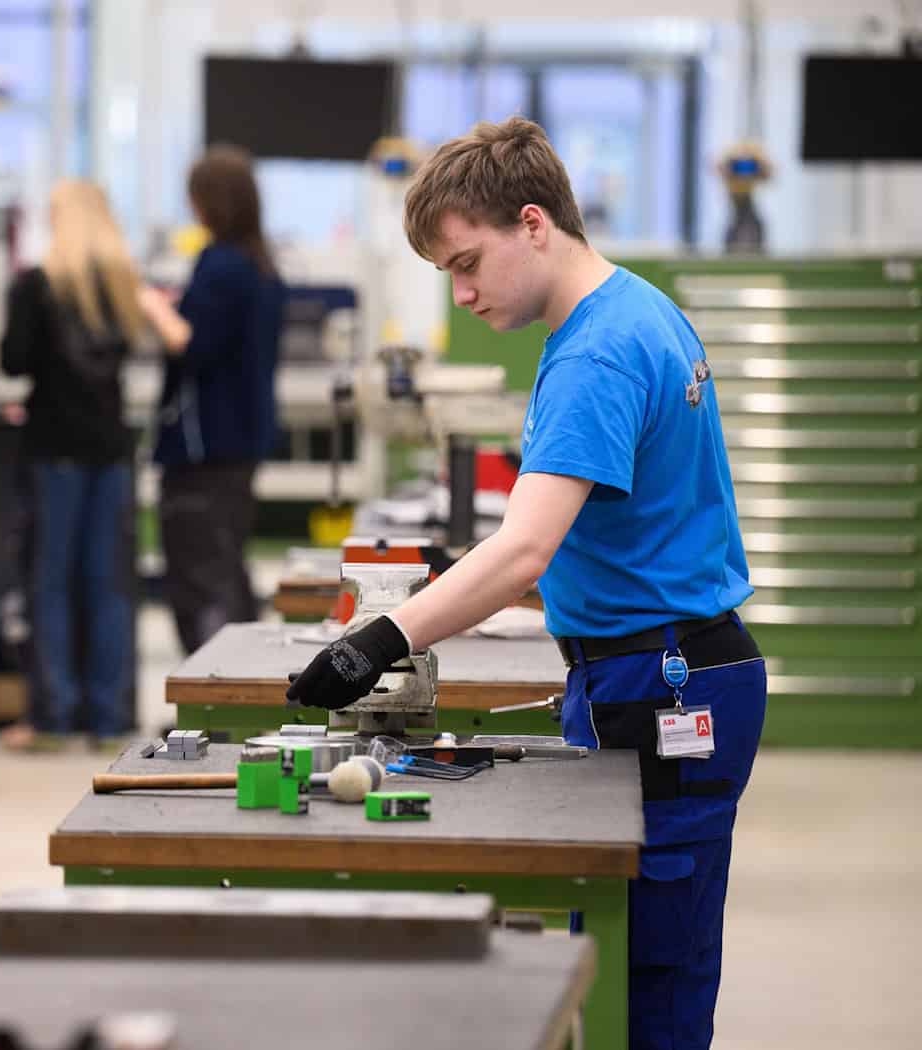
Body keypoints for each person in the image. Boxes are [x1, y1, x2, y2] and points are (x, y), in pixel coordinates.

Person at [285, 117, 765, 1050]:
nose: (461, 293)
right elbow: (607, 534)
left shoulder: (594, 352)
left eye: (468, 263)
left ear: (534, 223)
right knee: (636, 963)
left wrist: (374, 644)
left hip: (659, 687)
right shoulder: (634, 306)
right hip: (658, 670)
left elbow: (523, 554)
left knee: (644, 988)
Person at [0, 180, 148, 751]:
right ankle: (107, 718)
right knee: (107, 585)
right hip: (109, 450)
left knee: (51, 583)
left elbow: (12, 360)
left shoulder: (37, 284)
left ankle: (54, 717)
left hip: (53, 449)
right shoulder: (120, 286)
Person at [136, 145, 285, 654]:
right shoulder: (261, 266)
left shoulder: (220, 265)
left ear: (207, 202)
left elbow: (195, 345)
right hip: (240, 443)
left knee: (199, 577)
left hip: (205, 447)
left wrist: (153, 307)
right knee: (226, 566)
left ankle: (213, 698)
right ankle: (236, 691)